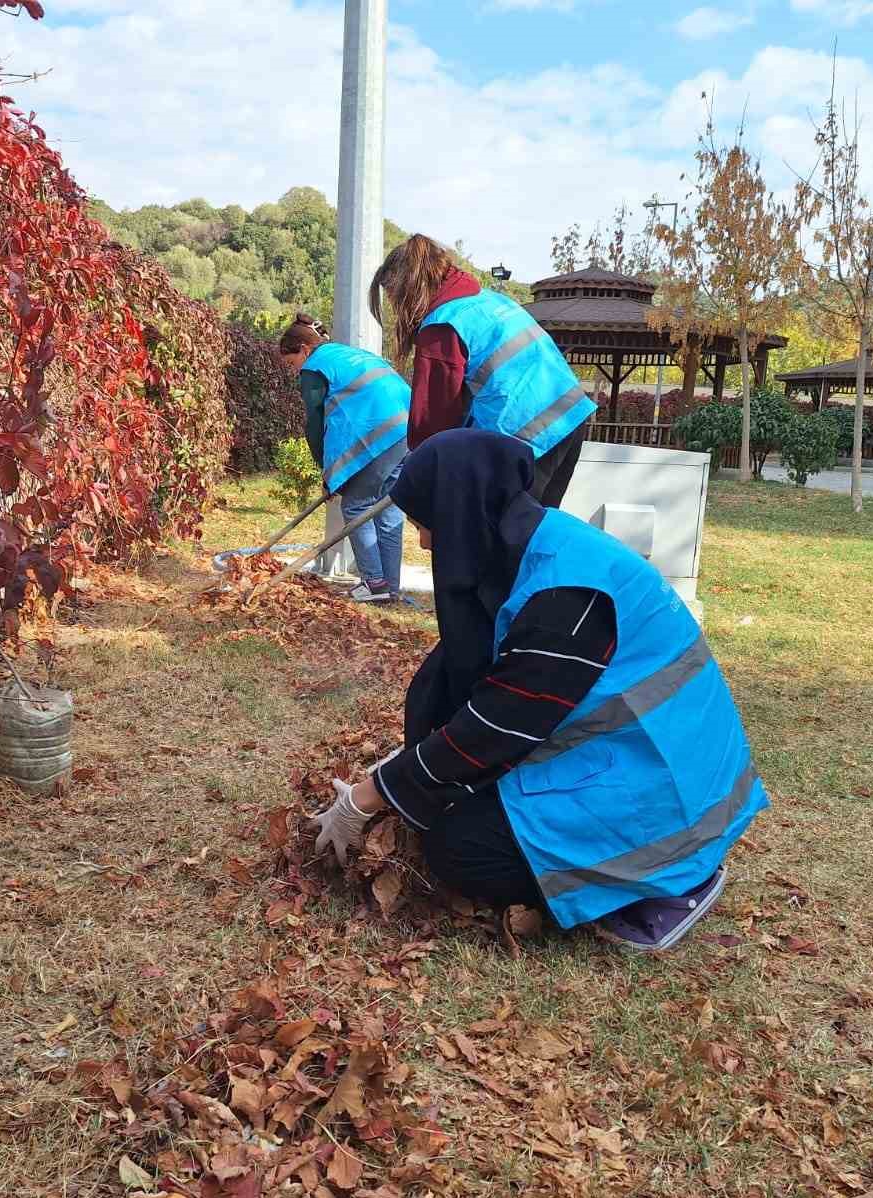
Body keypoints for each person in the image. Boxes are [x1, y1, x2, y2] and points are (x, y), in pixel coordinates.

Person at [312, 429, 768, 950]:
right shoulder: (538, 542)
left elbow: (495, 729)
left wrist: (371, 795)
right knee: (447, 779)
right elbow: (489, 690)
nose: (425, 543)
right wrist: (406, 772)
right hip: (626, 754)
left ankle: (672, 880)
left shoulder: (567, 595)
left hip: (667, 792)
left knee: (460, 850)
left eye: (426, 524)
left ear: (460, 511)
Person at [367, 234, 596, 507]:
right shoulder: (490, 301)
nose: (395, 307)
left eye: (393, 297)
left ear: (407, 288)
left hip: (527, 437)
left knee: (494, 540)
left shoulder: (442, 325)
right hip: (570, 418)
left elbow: (433, 425)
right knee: (534, 535)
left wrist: (422, 483)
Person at [279, 313, 409, 602]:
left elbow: (314, 423)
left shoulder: (315, 366)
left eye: (291, 363)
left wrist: (326, 471)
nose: (293, 370)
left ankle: (374, 584)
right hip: (406, 430)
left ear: (304, 350)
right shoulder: (347, 353)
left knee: (356, 506)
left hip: (379, 433)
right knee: (386, 510)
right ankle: (390, 587)